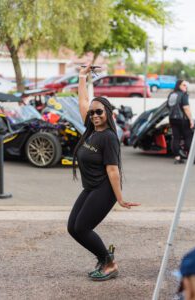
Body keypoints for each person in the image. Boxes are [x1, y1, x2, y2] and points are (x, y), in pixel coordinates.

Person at [67, 63, 140, 281]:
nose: (95, 115)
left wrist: (119, 198)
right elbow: (82, 102)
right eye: (92, 113)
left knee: (82, 227)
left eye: (99, 112)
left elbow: (113, 170)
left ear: (107, 113)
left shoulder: (108, 137)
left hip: (105, 188)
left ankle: (109, 263)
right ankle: (104, 258)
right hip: (91, 187)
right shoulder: (90, 130)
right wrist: (82, 77)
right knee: (72, 227)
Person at [167, 80, 194, 164]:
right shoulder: (184, 95)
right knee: (188, 137)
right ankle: (191, 158)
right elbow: (186, 108)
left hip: (172, 119)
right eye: (184, 85)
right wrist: (191, 119)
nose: (185, 87)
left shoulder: (171, 94)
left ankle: (177, 158)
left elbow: (168, 106)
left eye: (186, 85)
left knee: (176, 138)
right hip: (182, 119)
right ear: (179, 85)